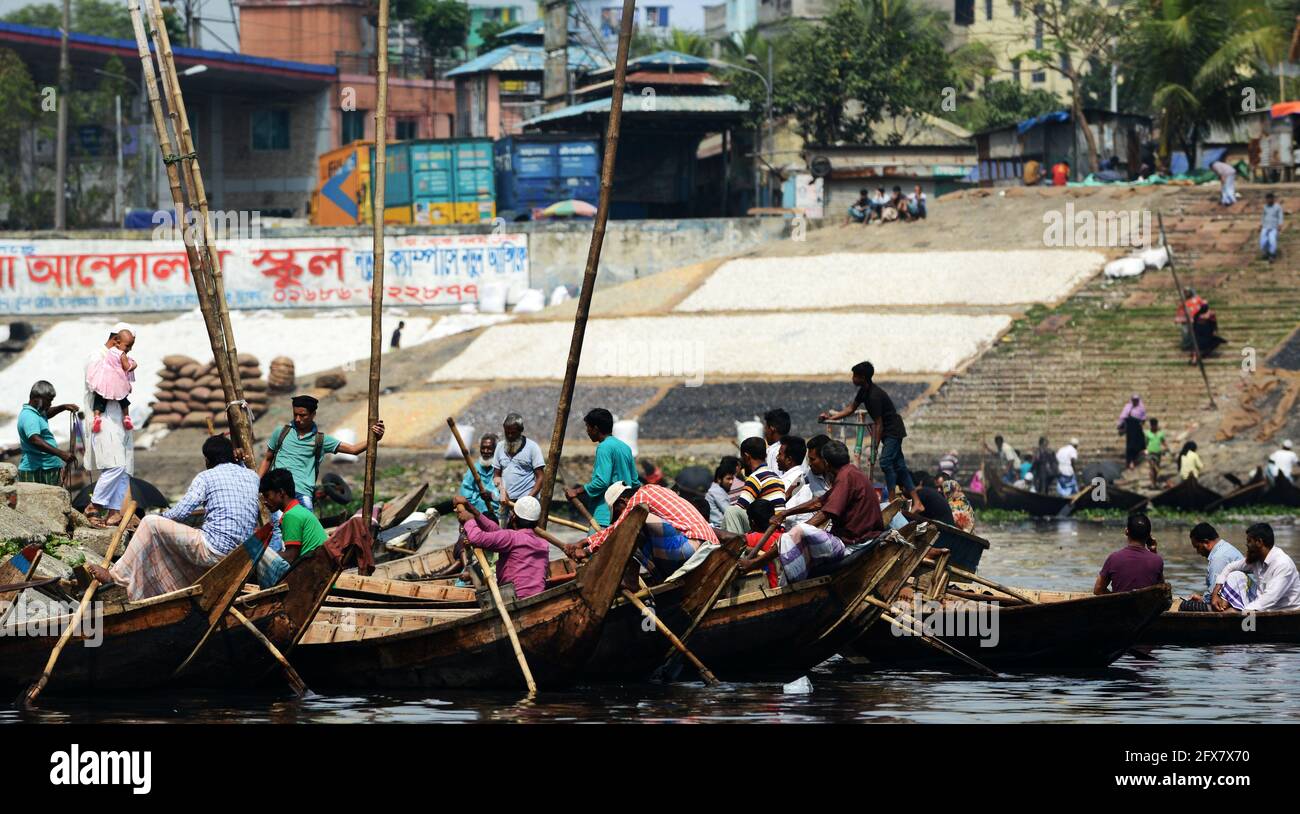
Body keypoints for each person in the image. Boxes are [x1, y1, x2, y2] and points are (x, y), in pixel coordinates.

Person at [89, 435, 260, 601]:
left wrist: (157, 518)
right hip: (241, 555)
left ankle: (116, 577)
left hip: (214, 550)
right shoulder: (252, 476)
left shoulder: (206, 477)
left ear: (207, 460)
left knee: (150, 524)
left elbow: (180, 513)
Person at [747, 440, 884, 585]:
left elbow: (825, 513)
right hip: (856, 538)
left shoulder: (846, 477)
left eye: (812, 460)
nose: (810, 464)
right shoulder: (850, 472)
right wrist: (785, 513)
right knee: (794, 535)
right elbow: (819, 502)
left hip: (853, 544)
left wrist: (798, 532)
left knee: (795, 534)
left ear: (826, 463)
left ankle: (758, 565)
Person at [258, 394, 384, 548]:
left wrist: (375, 437)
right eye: (295, 414)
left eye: (302, 415)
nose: (298, 419)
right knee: (278, 531)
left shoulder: (320, 440)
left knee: (305, 535)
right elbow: (267, 459)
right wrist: (256, 484)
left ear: (313, 415)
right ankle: (278, 567)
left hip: (302, 494)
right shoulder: (281, 433)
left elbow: (353, 449)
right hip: (278, 494)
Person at [820, 361, 921, 513]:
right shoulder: (864, 391)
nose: (853, 379)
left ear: (863, 377)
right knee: (899, 466)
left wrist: (874, 445)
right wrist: (831, 418)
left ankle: (893, 500)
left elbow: (879, 424)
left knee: (886, 462)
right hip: (889, 430)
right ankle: (917, 502)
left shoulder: (874, 395)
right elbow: (850, 408)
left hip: (892, 429)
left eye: (855, 376)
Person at [563, 481, 718, 580]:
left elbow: (617, 529)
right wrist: (582, 542)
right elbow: (613, 528)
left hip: (692, 545)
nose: (619, 517)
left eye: (618, 512)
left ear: (623, 501)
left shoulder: (639, 499)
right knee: (632, 528)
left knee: (631, 527)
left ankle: (636, 580)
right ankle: (657, 578)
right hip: (699, 542)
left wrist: (588, 550)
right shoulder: (653, 490)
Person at [83, 324, 137, 529]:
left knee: (125, 467)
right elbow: (95, 385)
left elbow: (127, 378)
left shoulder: (121, 357)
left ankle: (114, 511)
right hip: (102, 417)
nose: (128, 351)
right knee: (115, 465)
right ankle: (93, 506)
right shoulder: (97, 356)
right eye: (127, 346)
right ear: (116, 341)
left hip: (120, 418)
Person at [453, 493, 550, 600]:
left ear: (513, 517)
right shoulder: (544, 544)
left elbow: (476, 538)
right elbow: (496, 530)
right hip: (538, 597)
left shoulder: (512, 537)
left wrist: (469, 520)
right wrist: (472, 509)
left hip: (514, 598)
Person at [565, 408, 639, 527]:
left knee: (594, 545)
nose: (587, 431)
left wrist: (577, 491)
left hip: (605, 516)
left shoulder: (604, 447)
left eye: (588, 427)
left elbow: (601, 482)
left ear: (595, 429)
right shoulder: (625, 447)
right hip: (623, 515)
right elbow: (635, 482)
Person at [1210, 522, 1300, 612]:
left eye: (1249, 541)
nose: (1247, 545)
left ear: (1259, 542)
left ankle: (1238, 615)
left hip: (1283, 610)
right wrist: (1215, 593)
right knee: (1235, 575)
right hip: (1261, 604)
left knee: (1243, 615)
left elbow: (1270, 599)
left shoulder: (1282, 564)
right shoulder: (1256, 559)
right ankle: (1223, 607)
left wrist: (1242, 613)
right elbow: (1230, 567)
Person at [259, 467, 327, 565]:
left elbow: (290, 556)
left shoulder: (291, 516)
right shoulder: (298, 511)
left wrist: (265, 557)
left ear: (281, 492)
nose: (265, 501)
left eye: (267, 495)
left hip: (313, 572)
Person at [17, 381, 79, 485]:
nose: (50, 404)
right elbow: (34, 439)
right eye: (49, 401)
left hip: (47, 467)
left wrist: (63, 407)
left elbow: (46, 413)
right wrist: (61, 453)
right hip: (39, 470)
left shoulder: (36, 413)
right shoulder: (30, 416)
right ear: (38, 398)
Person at [1179, 523, 1252, 611]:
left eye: (1197, 547)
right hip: (1242, 596)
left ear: (1206, 542)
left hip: (1241, 602)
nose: (1198, 552)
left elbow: (1213, 597)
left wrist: (1202, 599)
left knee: (1185, 605)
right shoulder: (1225, 548)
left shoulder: (1218, 558)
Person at [722, 437, 787, 535]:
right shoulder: (775, 476)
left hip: (767, 527)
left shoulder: (756, 478)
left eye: (742, 457)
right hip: (778, 525)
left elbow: (740, 508)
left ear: (747, 456)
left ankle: (733, 547)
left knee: (731, 511)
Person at [1094, 513, 1164, 595]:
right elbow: (1162, 591)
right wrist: (1153, 552)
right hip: (1147, 606)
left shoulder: (1114, 558)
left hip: (1120, 606)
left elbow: (1098, 590)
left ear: (1126, 531)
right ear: (1149, 536)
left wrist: (1114, 596)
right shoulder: (1157, 560)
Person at [492, 412, 546, 515]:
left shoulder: (532, 447)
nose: (510, 436)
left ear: (521, 430)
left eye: (513, 433)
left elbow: (540, 477)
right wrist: (502, 492)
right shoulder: (499, 447)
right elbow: (496, 475)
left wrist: (527, 500)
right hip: (506, 502)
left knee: (525, 530)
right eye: (507, 433)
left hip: (527, 504)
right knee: (505, 530)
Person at [85, 328, 137, 433]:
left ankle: (97, 417)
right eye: (128, 346)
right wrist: (134, 364)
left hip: (106, 380)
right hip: (118, 381)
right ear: (117, 342)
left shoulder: (111, 351)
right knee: (123, 399)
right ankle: (126, 417)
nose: (129, 349)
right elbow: (127, 367)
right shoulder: (122, 355)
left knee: (100, 399)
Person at [458, 433, 501, 517]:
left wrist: (492, 496)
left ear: (496, 450)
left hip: (496, 516)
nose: (485, 451)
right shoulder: (474, 469)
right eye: (483, 448)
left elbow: (505, 496)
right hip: (476, 515)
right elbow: (465, 492)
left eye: (489, 448)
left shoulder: (501, 469)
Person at [776, 435, 813, 527]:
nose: (777, 457)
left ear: (789, 460)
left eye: (780, 454)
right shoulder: (803, 477)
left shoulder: (788, 482)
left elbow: (787, 517)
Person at [1116, 394, 1147, 471]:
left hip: (1137, 427)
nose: (1135, 401)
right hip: (1130, 427)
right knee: (1130, 445)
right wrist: (1120, 425)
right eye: (1134, 400)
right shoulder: (1128, 407)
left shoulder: (1141, 407)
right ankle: (1130, 462)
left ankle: (1136, 459)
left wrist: (1141, 423)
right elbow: (1123, 416)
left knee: (1139, 443)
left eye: (1136, 400)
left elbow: (1143, 418)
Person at [762, 408, 791, 473]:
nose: (765, 432)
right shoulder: (797, 448)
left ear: (772, 428)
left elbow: (774, 480)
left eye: (766, 428)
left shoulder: (774, 452)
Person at [706, 462, 735, 527]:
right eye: (728, 479)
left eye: (732, 479)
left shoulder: (716, 489)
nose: (731, 482)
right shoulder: (716, 491)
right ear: (719, 479)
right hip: (720, 528)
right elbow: (729, 512)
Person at [1144, 418, 1168, 488]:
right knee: (1152, 468)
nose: (1153, 427)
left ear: (1156, 425)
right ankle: (1152, 483)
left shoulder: (1161, 433)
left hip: (1158, 453)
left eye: (1154, 425)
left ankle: (1155, 481)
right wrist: (1145, 450)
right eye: (1152, 425)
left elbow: (1163, 442)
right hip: (1150, 453)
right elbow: (1145, 443)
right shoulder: (1148, 433)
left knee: (1156, 468)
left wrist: (1166, 448)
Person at [1260, 191, 1283, 262]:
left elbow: (1280, 216)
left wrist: (1280, 224)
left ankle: (1272, 255)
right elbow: (1263, 216)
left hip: (1274, 227)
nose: (1268, 200)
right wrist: (1261, 224)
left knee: (1272, 240)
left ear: (1273, 199)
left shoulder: (1278, 207)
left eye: (1270, 199)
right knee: (1263, 241)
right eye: (1267, 199)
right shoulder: (1265, 207)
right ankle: (1266, 253)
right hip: (1265, 226)